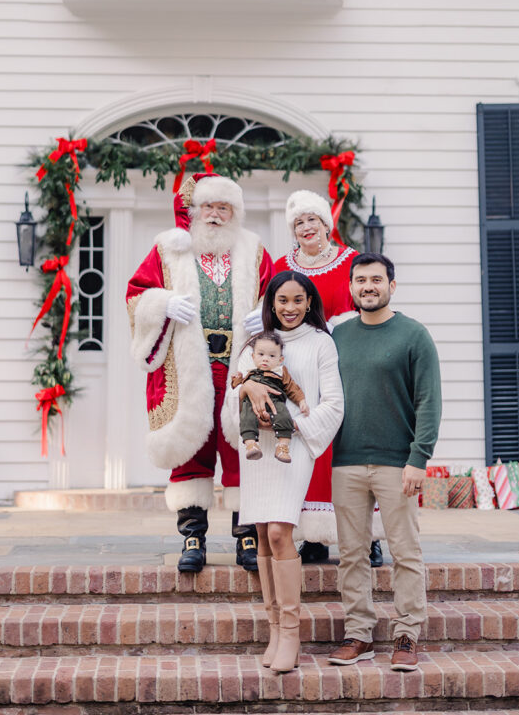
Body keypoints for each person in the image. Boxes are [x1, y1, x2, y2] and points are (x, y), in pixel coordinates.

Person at [126, 173, 273, 574]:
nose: (214, 215)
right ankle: (193, 537)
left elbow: (277, 297)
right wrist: (164, 304)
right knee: (192, 448)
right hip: (188, 364)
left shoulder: (254, 249)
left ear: (235, 213)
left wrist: (266, 317)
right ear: (195, 210)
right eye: (208, 207)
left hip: (241, 364)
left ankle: (247, 537)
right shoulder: (168, 248)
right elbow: (137, 295)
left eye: (223, 208)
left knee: (246, 448)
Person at [223, 271, 344, 673]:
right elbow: (230, 398)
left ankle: (291, 631)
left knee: (279, 532)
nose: (289, 308)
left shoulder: (321, 343)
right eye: (282, 300)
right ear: (270, 304)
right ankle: (274, 628)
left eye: (297, 300)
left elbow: (333, 404)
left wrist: (291, 421)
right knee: (260, 534)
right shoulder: (254, 346)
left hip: (293, 447)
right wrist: (246, 390)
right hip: (255, 449)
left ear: (310, 302)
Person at [328, 252, 442, 672]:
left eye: (376, 279)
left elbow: (429, 402)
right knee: (351, 554)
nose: (368, 286)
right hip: (347, 461)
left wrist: (419, 458)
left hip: (399, 463)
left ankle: (407, 634)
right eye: (360, 280)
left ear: (392, 286)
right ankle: (359, 634)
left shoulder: (413, 335)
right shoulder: (338, 336)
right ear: (352, 288)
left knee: (405, 551)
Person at [269, 190, 383, 568]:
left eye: (311, 220)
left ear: (325, 223)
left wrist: (343, 324)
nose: (305, 228)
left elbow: (369, 303)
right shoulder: (282, 265)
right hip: (302, 368)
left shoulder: (351, 261)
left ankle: (367, 536)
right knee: (310, 449)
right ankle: (314, 536)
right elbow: (270, 311)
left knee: (354, 449)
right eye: (298, 222)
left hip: (349, 365)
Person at [231, 330, 309, 463]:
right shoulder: (249, 373)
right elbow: (238, 388)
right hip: (252, 402)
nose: (265, 359)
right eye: (261, 354)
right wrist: (237, 380)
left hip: (275, 400)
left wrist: (301, 401)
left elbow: (292, 387)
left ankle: (282, 446)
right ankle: (251, 444)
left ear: (280, 359)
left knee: (284, 416)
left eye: (272, 356)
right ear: (253, 356)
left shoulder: (280, 372)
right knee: (246, 416)